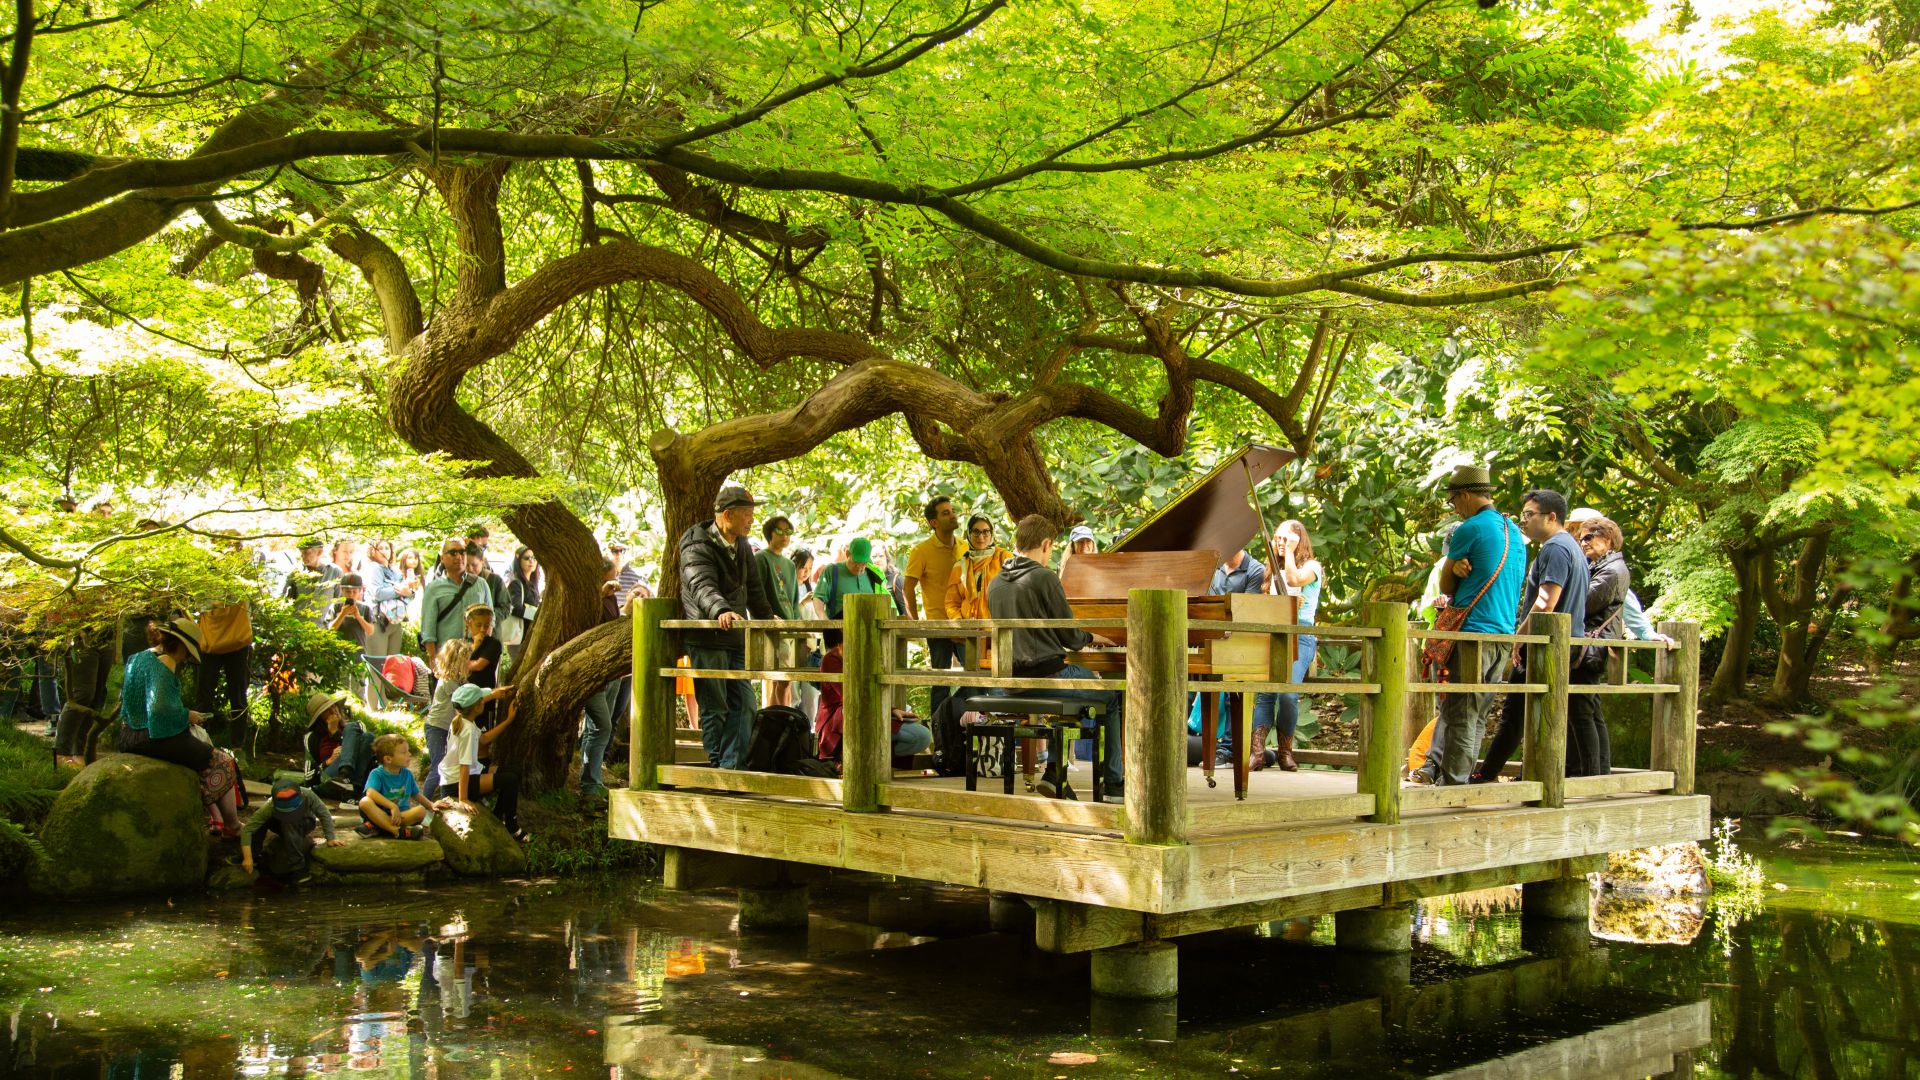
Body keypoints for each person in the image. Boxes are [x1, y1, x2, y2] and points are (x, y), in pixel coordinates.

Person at [986, 514, 1124, 801]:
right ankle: (1113, 785)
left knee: (1074, 695)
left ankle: (1055, 774)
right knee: (1110, 696)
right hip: (1046, 677)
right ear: (1046, 544)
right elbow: (1070, 637)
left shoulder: (996, 582)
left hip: (1008, 682)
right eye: (1051, 549)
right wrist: (1093, 637)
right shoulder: (1044, 577)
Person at [1413, 466, 1526, 786]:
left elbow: (1446, 587)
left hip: (1471, 634)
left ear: (1464, 495)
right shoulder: (1514, 532)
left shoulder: (1469, 529)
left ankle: (1452, 786)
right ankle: (1455, 782)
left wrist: (1453, 566)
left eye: (1453, 501)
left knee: (1459, 714)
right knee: (1476, 716)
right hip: (1503, 634)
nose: (1454, 508)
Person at [1471, 488, 1590, 782]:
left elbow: (1546, 601)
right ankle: (1529, 774)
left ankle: (1487, 774)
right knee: (1540, 713)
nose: (1524, 521)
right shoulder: (1571, 547)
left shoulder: (1556, 548)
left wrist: (1519, 638)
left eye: (1529, 514)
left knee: (1515, 715)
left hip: (1546, 645)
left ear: (1551, 517)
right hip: (1564, 645)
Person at [678, 484, 779, 770]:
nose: (751, 520)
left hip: (735, 636)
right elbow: (700, 584)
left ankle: (731, 766)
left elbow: (754, 587)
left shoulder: (743, 544)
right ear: (728, 514)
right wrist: (721, 610)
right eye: (747, 514)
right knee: (714, 705)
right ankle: (717, 765)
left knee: (745, 704)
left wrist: (766, 616)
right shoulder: (695, 544)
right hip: (707, 636)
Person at [116, 618, 243, 837]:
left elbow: (129, 701)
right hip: (152, 736)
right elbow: (159, 709)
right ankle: (232, 826)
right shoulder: (166, 662)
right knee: (220, 760)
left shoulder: (137, 658)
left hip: (128, 734)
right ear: (183, 645)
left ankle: (217, 819)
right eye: (188, 652)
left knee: (198, 751)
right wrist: (187, 715)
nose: (187, 658)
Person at [1249, 520, 1323, 772]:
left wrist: (1290, 552)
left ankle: (1284, 751)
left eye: (1287, 539)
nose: (1281, 544)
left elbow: (1295, 578)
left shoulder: (1311, 566)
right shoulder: (1272, 570)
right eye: (1278, 539)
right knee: (1266, 693)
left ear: (1299, 540)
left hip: (1300, 635)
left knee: (1288, 694)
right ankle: (1258, 752)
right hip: (1274, 634)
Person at [815, 629, 934, 765]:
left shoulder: (864, 654)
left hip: (871, 714)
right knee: (920, 736)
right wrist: (888, 710)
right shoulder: (833, 658)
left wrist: (892, 710)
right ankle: (863, 760)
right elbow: (851, 697)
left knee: (922, 736)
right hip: (843, 721)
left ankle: (871, 761)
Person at [1572, 515, 1632, 775]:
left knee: (1582, 711)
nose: (1582, 543)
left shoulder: (1611, 570)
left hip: (1591, 649)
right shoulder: (1599, 566)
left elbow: (1582, 604)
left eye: (1588, 538)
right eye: (1580, 538)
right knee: (1590, 710)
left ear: (1606, 539)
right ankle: (1598, 774)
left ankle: (1592, 775)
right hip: (1591, 647)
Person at [1199, 547, 1269, 766]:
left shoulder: (1254, 569)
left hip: (1242, 641)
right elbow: (1206, 602)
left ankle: (1229, 749)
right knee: (1204, 690)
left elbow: (1247, 609)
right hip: (1214, 636)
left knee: (1235, 695)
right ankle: (1211, 751)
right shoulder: (1214, 568)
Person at [435, 682, 526, 841]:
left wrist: (508, 721)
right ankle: (512, 826)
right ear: (476, 707)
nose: (484, 701)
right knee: (510, 780)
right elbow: (464, 766)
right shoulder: (467, 730)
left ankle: (497, 816)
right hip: (456, 784)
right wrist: (463, 799)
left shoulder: (462, 720)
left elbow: (484, 739)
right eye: (481, 700)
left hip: (467, 774)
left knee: (515, 772)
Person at [1568, 507, 1670, 644]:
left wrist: (1646, 632)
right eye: (1572, 529)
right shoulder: (1578, 557)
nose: (1576, 535)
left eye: (1587, 534)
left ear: (1605, 537)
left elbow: (1623, 597)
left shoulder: (1606, 566)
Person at [905, 496, 965, 718]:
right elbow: (908, 587)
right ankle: (938, 737)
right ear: (934, 522)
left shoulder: (965, 546)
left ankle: (954, 718)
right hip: (938, 625)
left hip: (964, 622)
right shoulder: (921, 550)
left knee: (978, 677)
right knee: (940, 681)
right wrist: (915, 621)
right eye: (945, 513)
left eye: (952, 510)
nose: (952, 515)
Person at [578, 558, 626, 800]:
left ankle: (591, 779)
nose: (614, 582)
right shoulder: (590, 598)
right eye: (610, 576)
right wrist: (599, 593)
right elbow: (585, 622)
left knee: (596, 728)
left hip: (613, 672)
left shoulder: (612, 599)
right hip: (594, 673)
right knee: (601, 726)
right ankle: (589, 783)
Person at [241, 771, 343, 882]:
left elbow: (324, 814)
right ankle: (255, 854)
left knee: (289, 822)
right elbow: (248, 829)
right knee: (261, 822)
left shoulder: (308, 795)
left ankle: (298, 867)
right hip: (280, 824)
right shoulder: (270, 806)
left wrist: (331, 838)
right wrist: (248, 857)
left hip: (305, 823)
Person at [420, 537, 492, 665]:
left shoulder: (481, 584)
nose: (459, 557)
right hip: (447, 656)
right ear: (442, 558)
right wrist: (433, 658)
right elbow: (428, 629)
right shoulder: (433, 588)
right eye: (453, 553)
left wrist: (484, 652)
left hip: (475, 654)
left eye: (462, 552)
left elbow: (490, 620)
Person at [755, 516, 801, 707]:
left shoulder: (790, 565)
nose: (785, 536)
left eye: (788, 532)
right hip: (771, 627)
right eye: (780, 531)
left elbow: (794, 600)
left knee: (787, 680)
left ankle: (781, 717)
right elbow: (757, 593)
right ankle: (774, 720)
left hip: (789, 628)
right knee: (778, 679)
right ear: (769, 533)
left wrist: (799, 627)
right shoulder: (761, 558)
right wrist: (765, 617)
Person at [420, 638, 474, 800]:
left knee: (447, 766)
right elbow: (464, 701)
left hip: (446, 729)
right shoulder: (448, 681)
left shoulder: (459, 680)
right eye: (466, 660)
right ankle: (425, 805)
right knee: (438, 767)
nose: (468, 663)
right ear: (456, 661)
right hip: (437, 728)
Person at [195, 598, 253, 742]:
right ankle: (200, 741)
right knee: (205, 697)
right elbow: (200, 603)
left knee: (238, 697)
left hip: (235, 639)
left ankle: (238, 747)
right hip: (214, 639)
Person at [304, 689, 371, 802]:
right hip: (331, 777)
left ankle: (351, 782)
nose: (333, 711)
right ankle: (345, 777)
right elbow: (309, 777)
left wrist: (336, 734)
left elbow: (366, 754)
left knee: (368, 736)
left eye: (334, 706)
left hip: (357, 775)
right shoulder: (311, 738)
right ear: (320, 718)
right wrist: (328, 762)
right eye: (327, 710)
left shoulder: (356, 727)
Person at [358, 733, 428, 839]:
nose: (409, 754)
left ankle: (379, 827)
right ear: (388, 759)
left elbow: (416, 794)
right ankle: (396, 831)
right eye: (404, 752)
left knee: (421, 811)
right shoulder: (377, 773)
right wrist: (392, 806)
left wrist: (432, 805)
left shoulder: (408, 774)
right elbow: (370, 792)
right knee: (364, 802)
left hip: (400, 816)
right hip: (379, 813)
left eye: (408, 751)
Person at [946, 515, 1010, 621]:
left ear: (992, 533)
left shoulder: (1004, 558)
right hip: (970, 630)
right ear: (969, 534)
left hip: (999, 628)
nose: (981, 537)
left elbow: (1017, 592)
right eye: (976, 531)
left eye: (985, 531)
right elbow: (951, 602)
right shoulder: (960, 565)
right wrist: (958, 620)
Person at [813, 537, 894, 618]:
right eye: (856, 562)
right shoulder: (832, 571)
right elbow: (818, 598)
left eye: (863, 563)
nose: (859, 567)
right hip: (837, 628)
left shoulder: (872, 574)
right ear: (848, 554)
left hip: (867, 627)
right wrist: (825, 620)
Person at [328, 573, 378, 701]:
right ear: (342, 590)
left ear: (360, 591)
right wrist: (342, 614)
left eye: (354, 592)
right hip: (340, 654)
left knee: (359, 688)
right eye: (348, 591)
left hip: (359, 653)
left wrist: (358, 616)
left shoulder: (365, 608)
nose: (351, 595)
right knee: (341, 687)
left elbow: (370, 630)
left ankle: (359, 712)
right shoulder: (336, 606)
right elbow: (330, 629)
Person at [363, 539, 414, 660]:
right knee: (378, 665)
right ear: (372, 552)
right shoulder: (373, 568)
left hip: (395, 620)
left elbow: (408, 595)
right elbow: (378, 593)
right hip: (378, 621)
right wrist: (400, 591)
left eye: (387, 548)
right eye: (380, 549)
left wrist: (410, 592)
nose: (384, 551)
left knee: (392, 666)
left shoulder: (395, 570)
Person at [283, 538, 341, 626]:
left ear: (319, 552)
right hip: (297, 629)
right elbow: (285, 603)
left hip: (323, 630)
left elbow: (339, 602)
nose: (302, 556)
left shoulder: (334, 572)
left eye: (306, 552)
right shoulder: (295, 573)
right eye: (301, 553)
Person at [502, 546, 541, 670]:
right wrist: (536, 616)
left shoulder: (533, 584)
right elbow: (515, 608)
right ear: (519, 561)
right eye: (527, 558)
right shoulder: (516, 583)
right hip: (519, 636)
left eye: (534, 558)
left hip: (531, 636)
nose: (531, 561)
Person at [467, 544, 511, 632]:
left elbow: (506, 608)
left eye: (474, 565)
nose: (470, 569)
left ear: (482, 561)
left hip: (490, 634)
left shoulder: (494, 580)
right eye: (467, 565)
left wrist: (483, 615)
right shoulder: (461, 580)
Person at [461, 604, 502, 691]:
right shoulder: (463, 643)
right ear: (469, 623)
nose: (482, 629)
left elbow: (478, 665)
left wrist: (461, 664)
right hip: (464, 692)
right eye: (478, 625)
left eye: (486, 625)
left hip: (484, 691)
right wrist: (474, 647)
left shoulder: (493, 643)